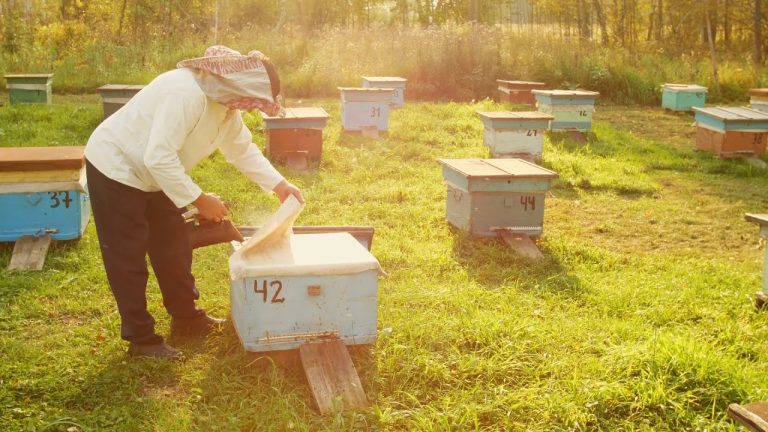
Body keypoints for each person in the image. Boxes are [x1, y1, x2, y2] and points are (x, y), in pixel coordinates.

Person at [84, 46, 303, 359]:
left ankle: (186, 318)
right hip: (116, 168)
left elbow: (241, 149)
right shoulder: (184, 93)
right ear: (240, 87)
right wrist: (199, 200)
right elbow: (157, 156)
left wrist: (279, 185)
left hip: (157, 173)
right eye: (253, 101)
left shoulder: (226, 105)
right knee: (127, 255)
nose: (252, 109)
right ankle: (142, 340)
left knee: (173, 246)